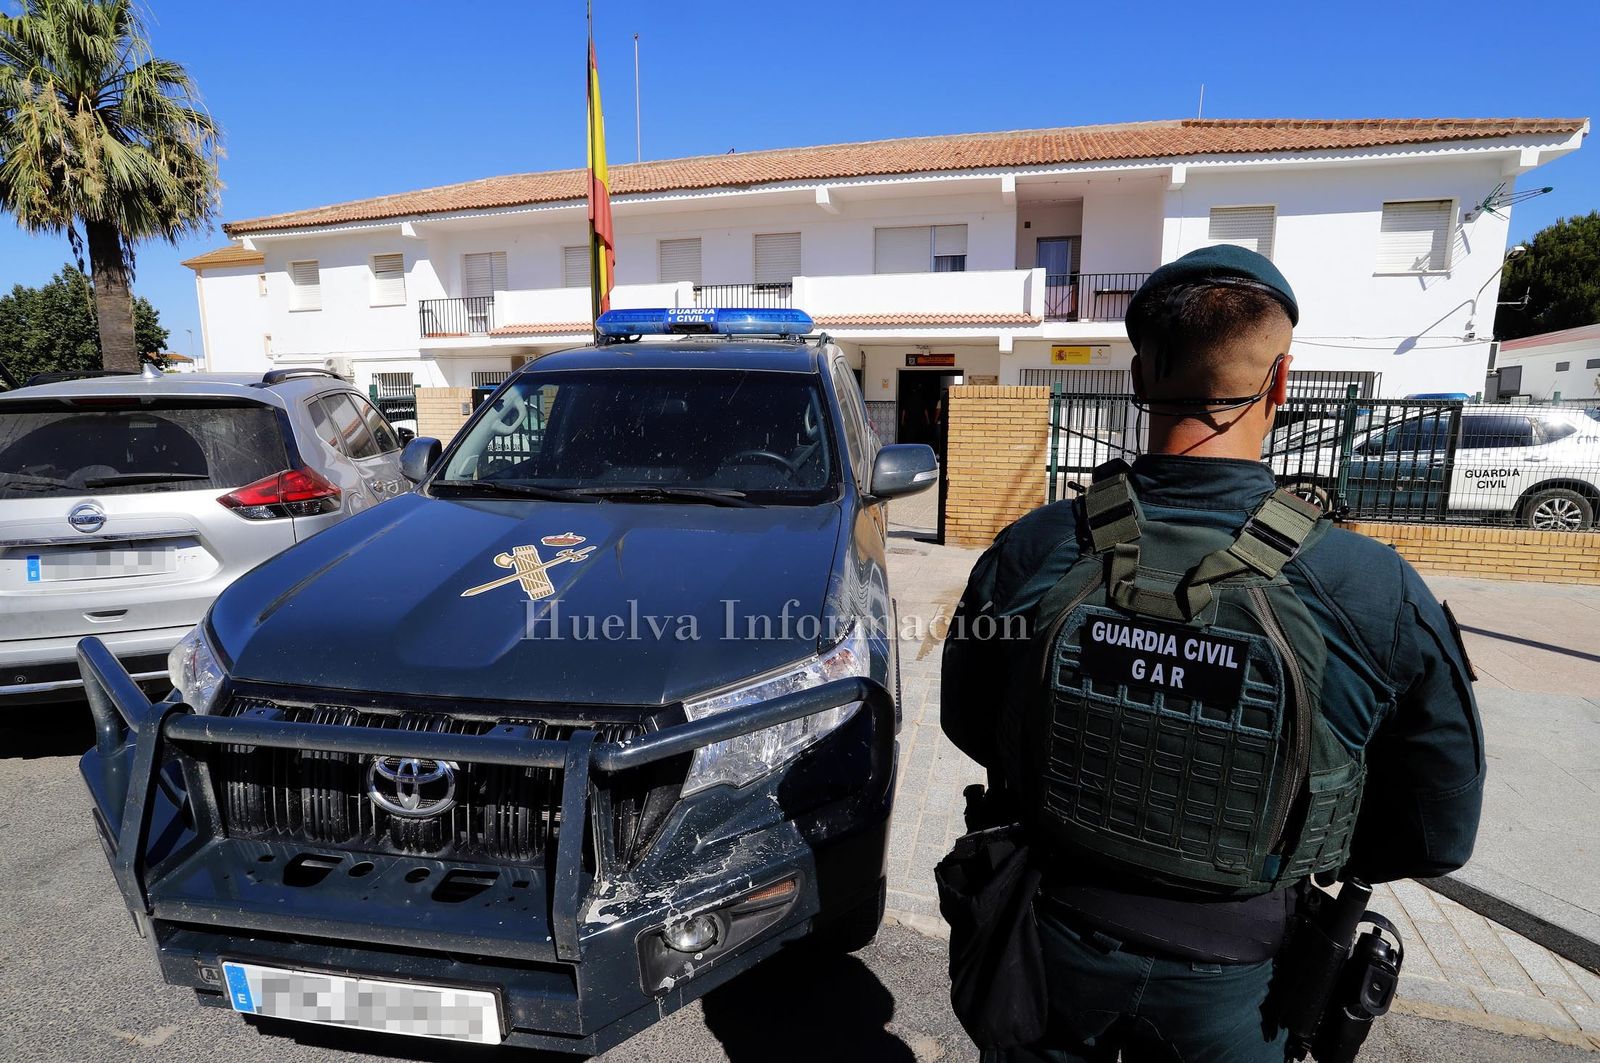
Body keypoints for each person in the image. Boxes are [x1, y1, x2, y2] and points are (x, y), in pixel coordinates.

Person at [940, 245, 1483, 1062]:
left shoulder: (1036, 546)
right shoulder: (1370, 587)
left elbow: (969, 720)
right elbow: (1437, 832)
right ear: (1281, 383)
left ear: (1136, 380)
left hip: (1048, 949)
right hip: (1242, 979)